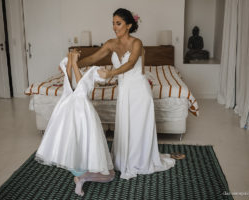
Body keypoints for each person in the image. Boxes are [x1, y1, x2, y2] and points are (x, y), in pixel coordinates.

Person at [75, 8, 184, 180]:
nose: (114, 27)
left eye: (118, 23)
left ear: (128, 25)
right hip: (124, 91)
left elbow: (131, 63)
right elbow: (92, 59)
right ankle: (124, 159)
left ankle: (140, 160)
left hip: (139, 91)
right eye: (113, 23)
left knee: (138, 127)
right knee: (126, 126)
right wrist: (73, 62)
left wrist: (110, 74)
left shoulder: (136, 43)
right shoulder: (111, 43)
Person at [35, 50, 115, 196]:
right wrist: (74, 62)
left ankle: (80, 173)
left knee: (75, 145)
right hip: (81, 113)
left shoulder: (76, 76)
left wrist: (72, 62)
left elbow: (71, 80)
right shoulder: (90, 74)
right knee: (108, 173)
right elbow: (81, 86)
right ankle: (82, 177)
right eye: (104, 69)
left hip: (66, 111)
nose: (105, 70)